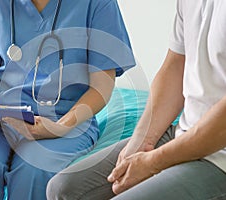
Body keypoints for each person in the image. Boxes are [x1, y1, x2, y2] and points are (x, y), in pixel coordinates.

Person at [0, 0, 136, 199]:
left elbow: (101, 88)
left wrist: (61, 126)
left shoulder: (97, 4)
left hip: (65, 116)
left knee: (34, 168)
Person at [46, 0, 226, 199]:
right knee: (62, 189)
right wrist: (142, 139)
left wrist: (153, 162)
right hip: (184, 133)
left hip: (221, 156)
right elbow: (175, 66)